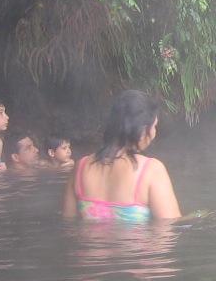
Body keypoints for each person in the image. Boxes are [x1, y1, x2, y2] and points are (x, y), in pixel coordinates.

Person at [61, 90, 181, 222]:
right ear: (142, 130)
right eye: (154, 126)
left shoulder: (80, 167)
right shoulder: (151, 170)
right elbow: (170, 227)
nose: (154, 133)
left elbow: (68, 224)